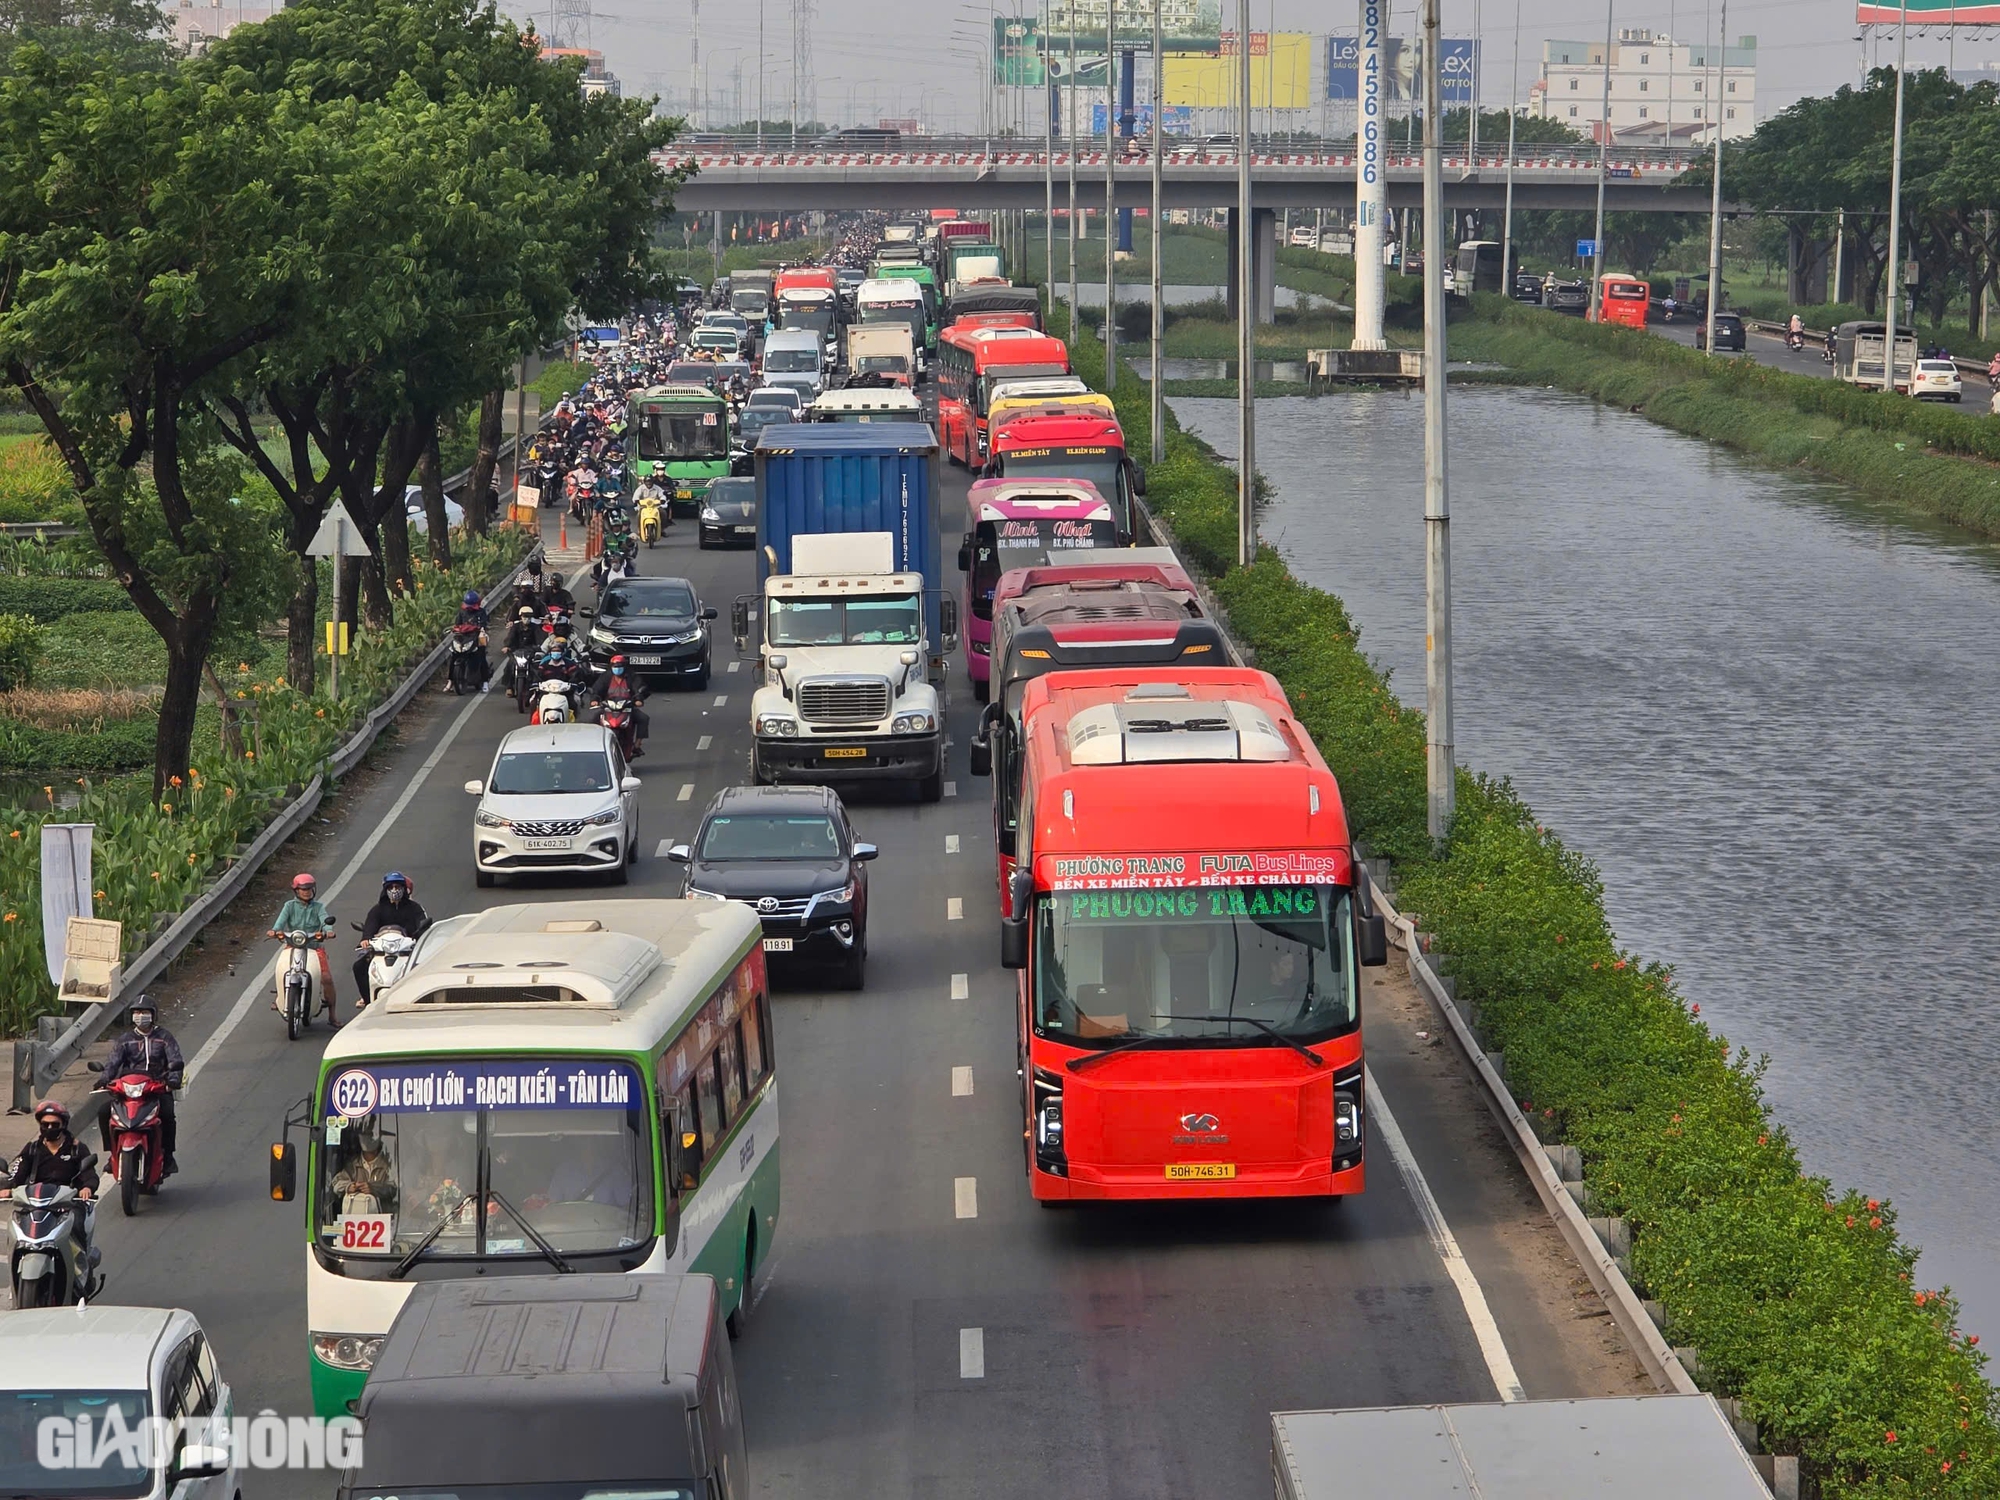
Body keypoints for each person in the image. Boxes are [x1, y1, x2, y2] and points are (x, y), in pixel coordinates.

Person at [96, 995, 184, 1173]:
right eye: (136, 1012)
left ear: (153, 1015)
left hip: (157, 1088)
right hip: (129, 1089)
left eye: (144, 1012)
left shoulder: (164, 1037)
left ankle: (168, 1157)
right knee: (104, 1112)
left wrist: (173, 1081)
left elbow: (175, 1060)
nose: (140, 1015)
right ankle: (112, 1153)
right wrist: (103, 1080)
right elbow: (113, 1063)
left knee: (167, 1114)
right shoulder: (125, 1040)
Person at [270, 872, 340, 1024]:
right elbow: (280, 922)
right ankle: (281, 998)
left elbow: (325, 921)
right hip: (292, 946)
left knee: (326, 979)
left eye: (309, 888)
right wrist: (275, 931)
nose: (306, 891)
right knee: (281, 969)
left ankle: (332, 1015)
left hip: (314, 948)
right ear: (296, 890)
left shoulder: (318, 907)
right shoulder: (289, 906)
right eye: (303, 889)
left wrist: (328, 931)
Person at [353, 872, 431, 1006]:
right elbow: (370, 926)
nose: (394, 890)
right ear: (385, 890)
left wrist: (417, 937)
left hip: (407, 950)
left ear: (404, 889)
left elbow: (422, 925)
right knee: (359, 967)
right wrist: (365, 938)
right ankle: (367, 1000)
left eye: (398, 887)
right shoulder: (377, 909)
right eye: (391, 887)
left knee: (424, 967)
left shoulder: (414, 908)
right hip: (381, 950)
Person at [3, 1101, 98, 1207]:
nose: (49, 1128)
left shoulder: (77, 1148)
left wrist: (87, 1188)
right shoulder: (32, 1149)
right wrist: (8, 1189)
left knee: (77, 1221)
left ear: (63, 1125)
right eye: (45, 1124)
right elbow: (18, 1174)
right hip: (36, 1203)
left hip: (69, 1204)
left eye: (55, 1125)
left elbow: (90, 1175)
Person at [329, 1118, 398, 1213]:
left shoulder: (389, 1165)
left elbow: (395, 1189)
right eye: (365, 1135)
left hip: (383, 1220)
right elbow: (336, 1184)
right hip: (354, 1219)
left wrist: (373, 1188)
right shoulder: (352, 1166)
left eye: (370, 1136)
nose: (368, 1139)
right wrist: (349, 1186)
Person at [587, 654, 650, 754]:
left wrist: (638, 699)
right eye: (615, 667)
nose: (617, 669)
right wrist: (594, 699)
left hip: (627, 707)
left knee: (643, 718)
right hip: (608, 706)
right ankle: (594, 743)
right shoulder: (605, 677)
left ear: (624, 667)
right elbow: (596, 689)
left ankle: (637, 745)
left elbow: (639, 688)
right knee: (591, 719)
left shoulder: (632, 676)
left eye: (620, 667)